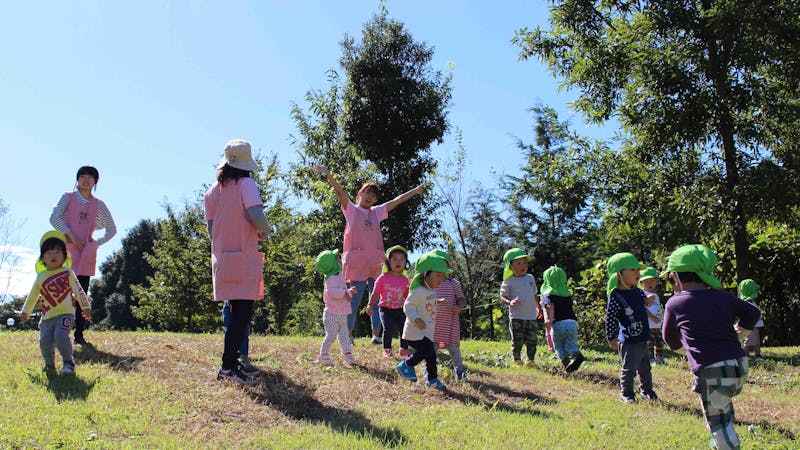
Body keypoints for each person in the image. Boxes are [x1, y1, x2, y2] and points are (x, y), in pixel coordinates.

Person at [662, 244, 761, 450]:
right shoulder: (723, 296)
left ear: (677, 276)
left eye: (671, 279)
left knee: (718, 423)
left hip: (711, 369)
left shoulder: (676, 303)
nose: (672, 285)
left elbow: (668, 337)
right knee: (722, 408)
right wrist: (740, 333)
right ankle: (720, 443)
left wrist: (684, 350)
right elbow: (752, 313)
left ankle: (726, 445)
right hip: (739, 365)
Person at [312, 164, 424, 344]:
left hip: (375, 263)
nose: (370, 197)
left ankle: (376, 335)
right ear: (359, 194)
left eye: (374, 194)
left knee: (379, 298)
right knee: (352, 300)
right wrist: (328, 174)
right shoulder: (352, 209)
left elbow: (396, 201)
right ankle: (348, 336)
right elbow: (340, 193)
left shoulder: (377, 212)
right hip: (356, 263)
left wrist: (415, 191)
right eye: (367, 192)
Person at [204, 139, 271, 383]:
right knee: (241, 315)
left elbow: (211, 230)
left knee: (235, 313)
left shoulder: (212, 191)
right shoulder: (247, 184)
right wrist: (265, 230)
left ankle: (230, 365)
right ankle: (228, 367)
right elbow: (255, 214)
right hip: (243, 257)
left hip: (222, 258)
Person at [50, 165, 116, 345]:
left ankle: (79, 334)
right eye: (82, 176)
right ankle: (57, 332)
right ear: (77, 179)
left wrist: (95, 244)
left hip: (86, 254)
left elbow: (111, 229)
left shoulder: (98, 204)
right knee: (61, 293)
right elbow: (54, 218)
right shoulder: (68, 198)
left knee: (82, 294)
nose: (86, 180)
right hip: (64, 251)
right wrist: (70, 235)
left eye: (90, 177)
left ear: (95, 181)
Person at [20, 231, 91, 375]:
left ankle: (68, 363)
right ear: (42, 257)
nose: (53, 255)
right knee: (45, 342)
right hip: (47, 317)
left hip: (66, 314)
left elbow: (78, 290)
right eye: (49, 252)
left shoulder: (68, 273)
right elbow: (33, 295)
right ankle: (49, 365)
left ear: (65, 256)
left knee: (61, 335)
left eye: (58, 252)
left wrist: (85, 306)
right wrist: (25, 311)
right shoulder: (41, 277)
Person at [604, 252, 658, 403]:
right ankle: (626, 393)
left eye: (638, 270)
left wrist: (649, 300)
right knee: (629, 369)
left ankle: (646, 390)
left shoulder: (637, 290)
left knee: (645, 368)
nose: (638, 273)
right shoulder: (615, 296)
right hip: (628, 340)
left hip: (643, 337)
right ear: (620, 274)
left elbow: (644, 302)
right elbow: (610, 318)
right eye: (633, 270)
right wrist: (611, 337)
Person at [396, 253, 450, 390]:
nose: (441, 279)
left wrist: (438, 301)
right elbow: (408, 306)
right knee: (427, 350)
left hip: (426, 332)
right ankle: (407, 365)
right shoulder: (418, 290)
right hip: (415, 331)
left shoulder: (430, 290)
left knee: (431, 355)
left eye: (443, 276)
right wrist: (416, 318)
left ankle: (432, 380)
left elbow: (425, 303)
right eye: (438, 275)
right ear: (426, 273)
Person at [429, 249, 468, 381]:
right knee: (432, 349)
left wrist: (459, 306)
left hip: (450, 322)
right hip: (433, 322)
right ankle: (430, 372)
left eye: (443, 264)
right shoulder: (428, 283)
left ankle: (460, 371)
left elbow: (462, 299)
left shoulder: (453, 283)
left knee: (454, 348)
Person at [367, 245, 411, 358]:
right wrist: (370, 305)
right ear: (388, 262)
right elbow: (375, 293)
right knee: (388, 327)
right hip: (385, 309)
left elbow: (408, 296)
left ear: (406, 263)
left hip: (401, 309)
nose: (398, 262)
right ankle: (387, 349)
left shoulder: (406, 280)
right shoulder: (383, 278)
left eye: (402, 259)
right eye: (395, 259)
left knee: (404, 328)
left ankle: (404, 349)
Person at [315, 249, 358, 366]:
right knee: (331, 335)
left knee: (344, 335)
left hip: (341, 314)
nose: (340, 260)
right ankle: (323, 355)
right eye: (337, 259)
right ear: (332, 264)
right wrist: (346, 292)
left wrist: (348, 293)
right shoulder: (330, 279)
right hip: (331, 315)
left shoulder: (338, 277)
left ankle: (347, 353)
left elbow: (341, 293)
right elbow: (331, 292)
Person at [500, 248, 541, 368]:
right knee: (517, 340)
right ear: (510, 266)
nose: (523, 266)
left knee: (532, 340)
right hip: (516, 316)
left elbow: (534, 294)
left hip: (531, 315)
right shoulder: (508, 281)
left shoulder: (530, 278)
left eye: (525, 263)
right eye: (518, 263)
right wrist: (510, 302)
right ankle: (517, 360)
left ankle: (530, 360)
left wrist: (538, 308)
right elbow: (502, 296)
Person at [541, 266, 584, 372]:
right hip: (572, 323)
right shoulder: (567, 294)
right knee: (571, 344)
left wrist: (549, 319)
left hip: (558, 324)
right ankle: (576, 355)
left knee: (559, 346)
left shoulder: (548, 294)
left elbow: (550, 305)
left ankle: (566, 364)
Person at [221, 301, 256, 373]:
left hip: (242, 296)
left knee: (243, 328)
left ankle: (240, 358)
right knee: (234, 327)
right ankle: (229, 366)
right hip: (233, 297)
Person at [640, 267, 665, 365]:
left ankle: (659, 359)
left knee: (659, 343)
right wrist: (652, 317)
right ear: (641, 283)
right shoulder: (643, 295)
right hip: (648, 324)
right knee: (649, 343)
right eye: (646, 281)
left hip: (657, 324)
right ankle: (650, 359)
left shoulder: (655, 294)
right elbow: (643, 308)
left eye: (652, 281)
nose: (650, 284)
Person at [738, 279, 764, 361]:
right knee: (748, 341)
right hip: (751, 326)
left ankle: (758, 355)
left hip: (754, 326)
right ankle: (745, 355)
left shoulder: (751, 303)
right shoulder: (748, 304)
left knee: (756, 342)